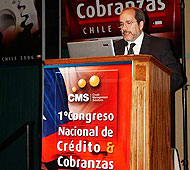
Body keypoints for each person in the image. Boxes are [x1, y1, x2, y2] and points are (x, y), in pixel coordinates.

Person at [114, 7, 184, 92]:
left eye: (128, 23)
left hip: (151, 99)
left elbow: (176, 77)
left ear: (141, 25)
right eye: (121, 24)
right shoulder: (115, 47)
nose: (124, 28)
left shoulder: (159, 45)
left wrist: (152, 88)